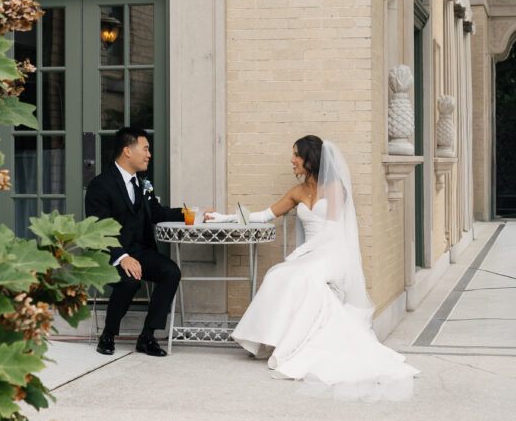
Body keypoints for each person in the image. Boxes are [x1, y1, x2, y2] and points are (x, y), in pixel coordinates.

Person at [206, 136, 418, 400]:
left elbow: (331, 232)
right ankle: (268, 341)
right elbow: (264, 215)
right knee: (279, 275)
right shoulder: (298, 191)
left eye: (296, 155)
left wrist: (299, 252)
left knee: (301, 275)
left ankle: (298, 346)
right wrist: (224, 217)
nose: (292, 160)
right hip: (311, 254)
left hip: (332, 253)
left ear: (311, 159)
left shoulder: (334, 188)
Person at [84, 127, 184, 357]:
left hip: (140, 250)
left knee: (170, 271)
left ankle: (147, 337)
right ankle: (108, 335)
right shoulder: (101, 185)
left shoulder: (142, 182)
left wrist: (191, 214)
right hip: (110, 253)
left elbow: (157, 213)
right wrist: (122, 256)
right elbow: (99, 229)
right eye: (146, 149)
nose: (149, 154)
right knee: (129, 280)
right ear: (127, 151)